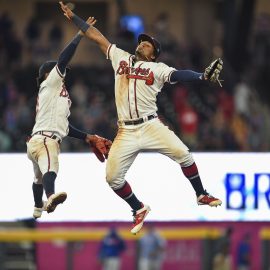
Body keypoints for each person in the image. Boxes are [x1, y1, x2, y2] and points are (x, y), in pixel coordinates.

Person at [59, 2, 223, 235]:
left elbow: (178, 75)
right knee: (112, 178)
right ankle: (138, 208)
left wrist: (201, 76)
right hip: (126, 131)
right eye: (141, 41)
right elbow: (97, 37)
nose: (142, 44)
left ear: (153, 54)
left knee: (184, 154)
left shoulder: (157, 69)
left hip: (150, 125)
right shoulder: (120, 58)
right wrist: (74, 18)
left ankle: (201, 194)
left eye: (147, 44)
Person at [26, 18, 112, 219]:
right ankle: (50, 197)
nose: (63, 73)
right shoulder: (50, 83)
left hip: (39, 139)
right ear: (49, 73)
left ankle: (37, 208)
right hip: (46, 140)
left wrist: (87, 137)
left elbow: (65, 127)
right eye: (59, 71)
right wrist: (80, 34)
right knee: (51, 168)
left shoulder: (58, 96)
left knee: (38, 177)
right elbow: (63, 59)